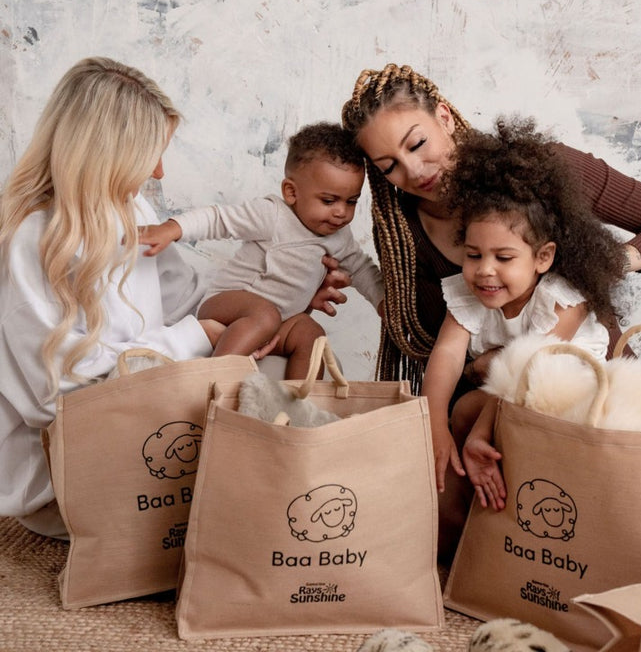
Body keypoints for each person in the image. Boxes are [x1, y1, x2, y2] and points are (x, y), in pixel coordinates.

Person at [338, 62, 641, 557]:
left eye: (416, 144)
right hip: (485, 404)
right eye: (389, 166)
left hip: (582, 388)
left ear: (443, 116)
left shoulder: (543, 170)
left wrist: (605, 264)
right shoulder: (403, 228)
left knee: (618, 533)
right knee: (440, 519)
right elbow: (428, 335)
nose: (413, 171)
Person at [0, 57, 226, 538]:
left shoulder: (131, 207)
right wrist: (193, 339)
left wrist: (281, 294)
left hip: (141, 425)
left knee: (270, 352)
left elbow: (188, 299)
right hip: (68, 472)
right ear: (108, 153)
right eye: (151, 154)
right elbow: (58, 398)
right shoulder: (31, 240)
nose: (160, 172)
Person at [421, 117, 626, 502]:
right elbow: (446, 356)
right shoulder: (469, 295)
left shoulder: (563, 300)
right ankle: (481, 512)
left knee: (480, 413)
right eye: (473, 254)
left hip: (572, 405)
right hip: (511, 400)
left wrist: (481, 432)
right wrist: (434, 428)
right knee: (463, 408)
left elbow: (528, 371)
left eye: (503, 257)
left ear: (543, 257)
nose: (485, 270)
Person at [139, 122, 384, 379]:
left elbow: (362, 268)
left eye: (351, 201)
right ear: (291, 192)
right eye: (328, 200)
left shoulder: (339, 237)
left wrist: (383, 302)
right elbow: (219, 220)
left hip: (276, 324)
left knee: (312, 335)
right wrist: (171, 228)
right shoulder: (272, 215)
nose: (341, 212)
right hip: (227, 307)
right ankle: (211, 382)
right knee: (265, 315)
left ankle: (293, 407)